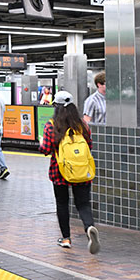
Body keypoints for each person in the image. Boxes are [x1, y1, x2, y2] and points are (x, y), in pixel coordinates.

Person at [40, 90, 100, 253]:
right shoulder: (83, 125)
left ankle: (66, 238)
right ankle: (89, 228)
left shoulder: (52, 125)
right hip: (81, 170)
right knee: (83, 204)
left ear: (57, 107)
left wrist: (43, 143)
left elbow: (45, 149)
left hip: (59, 171)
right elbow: (89, 146)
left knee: (62, 204)